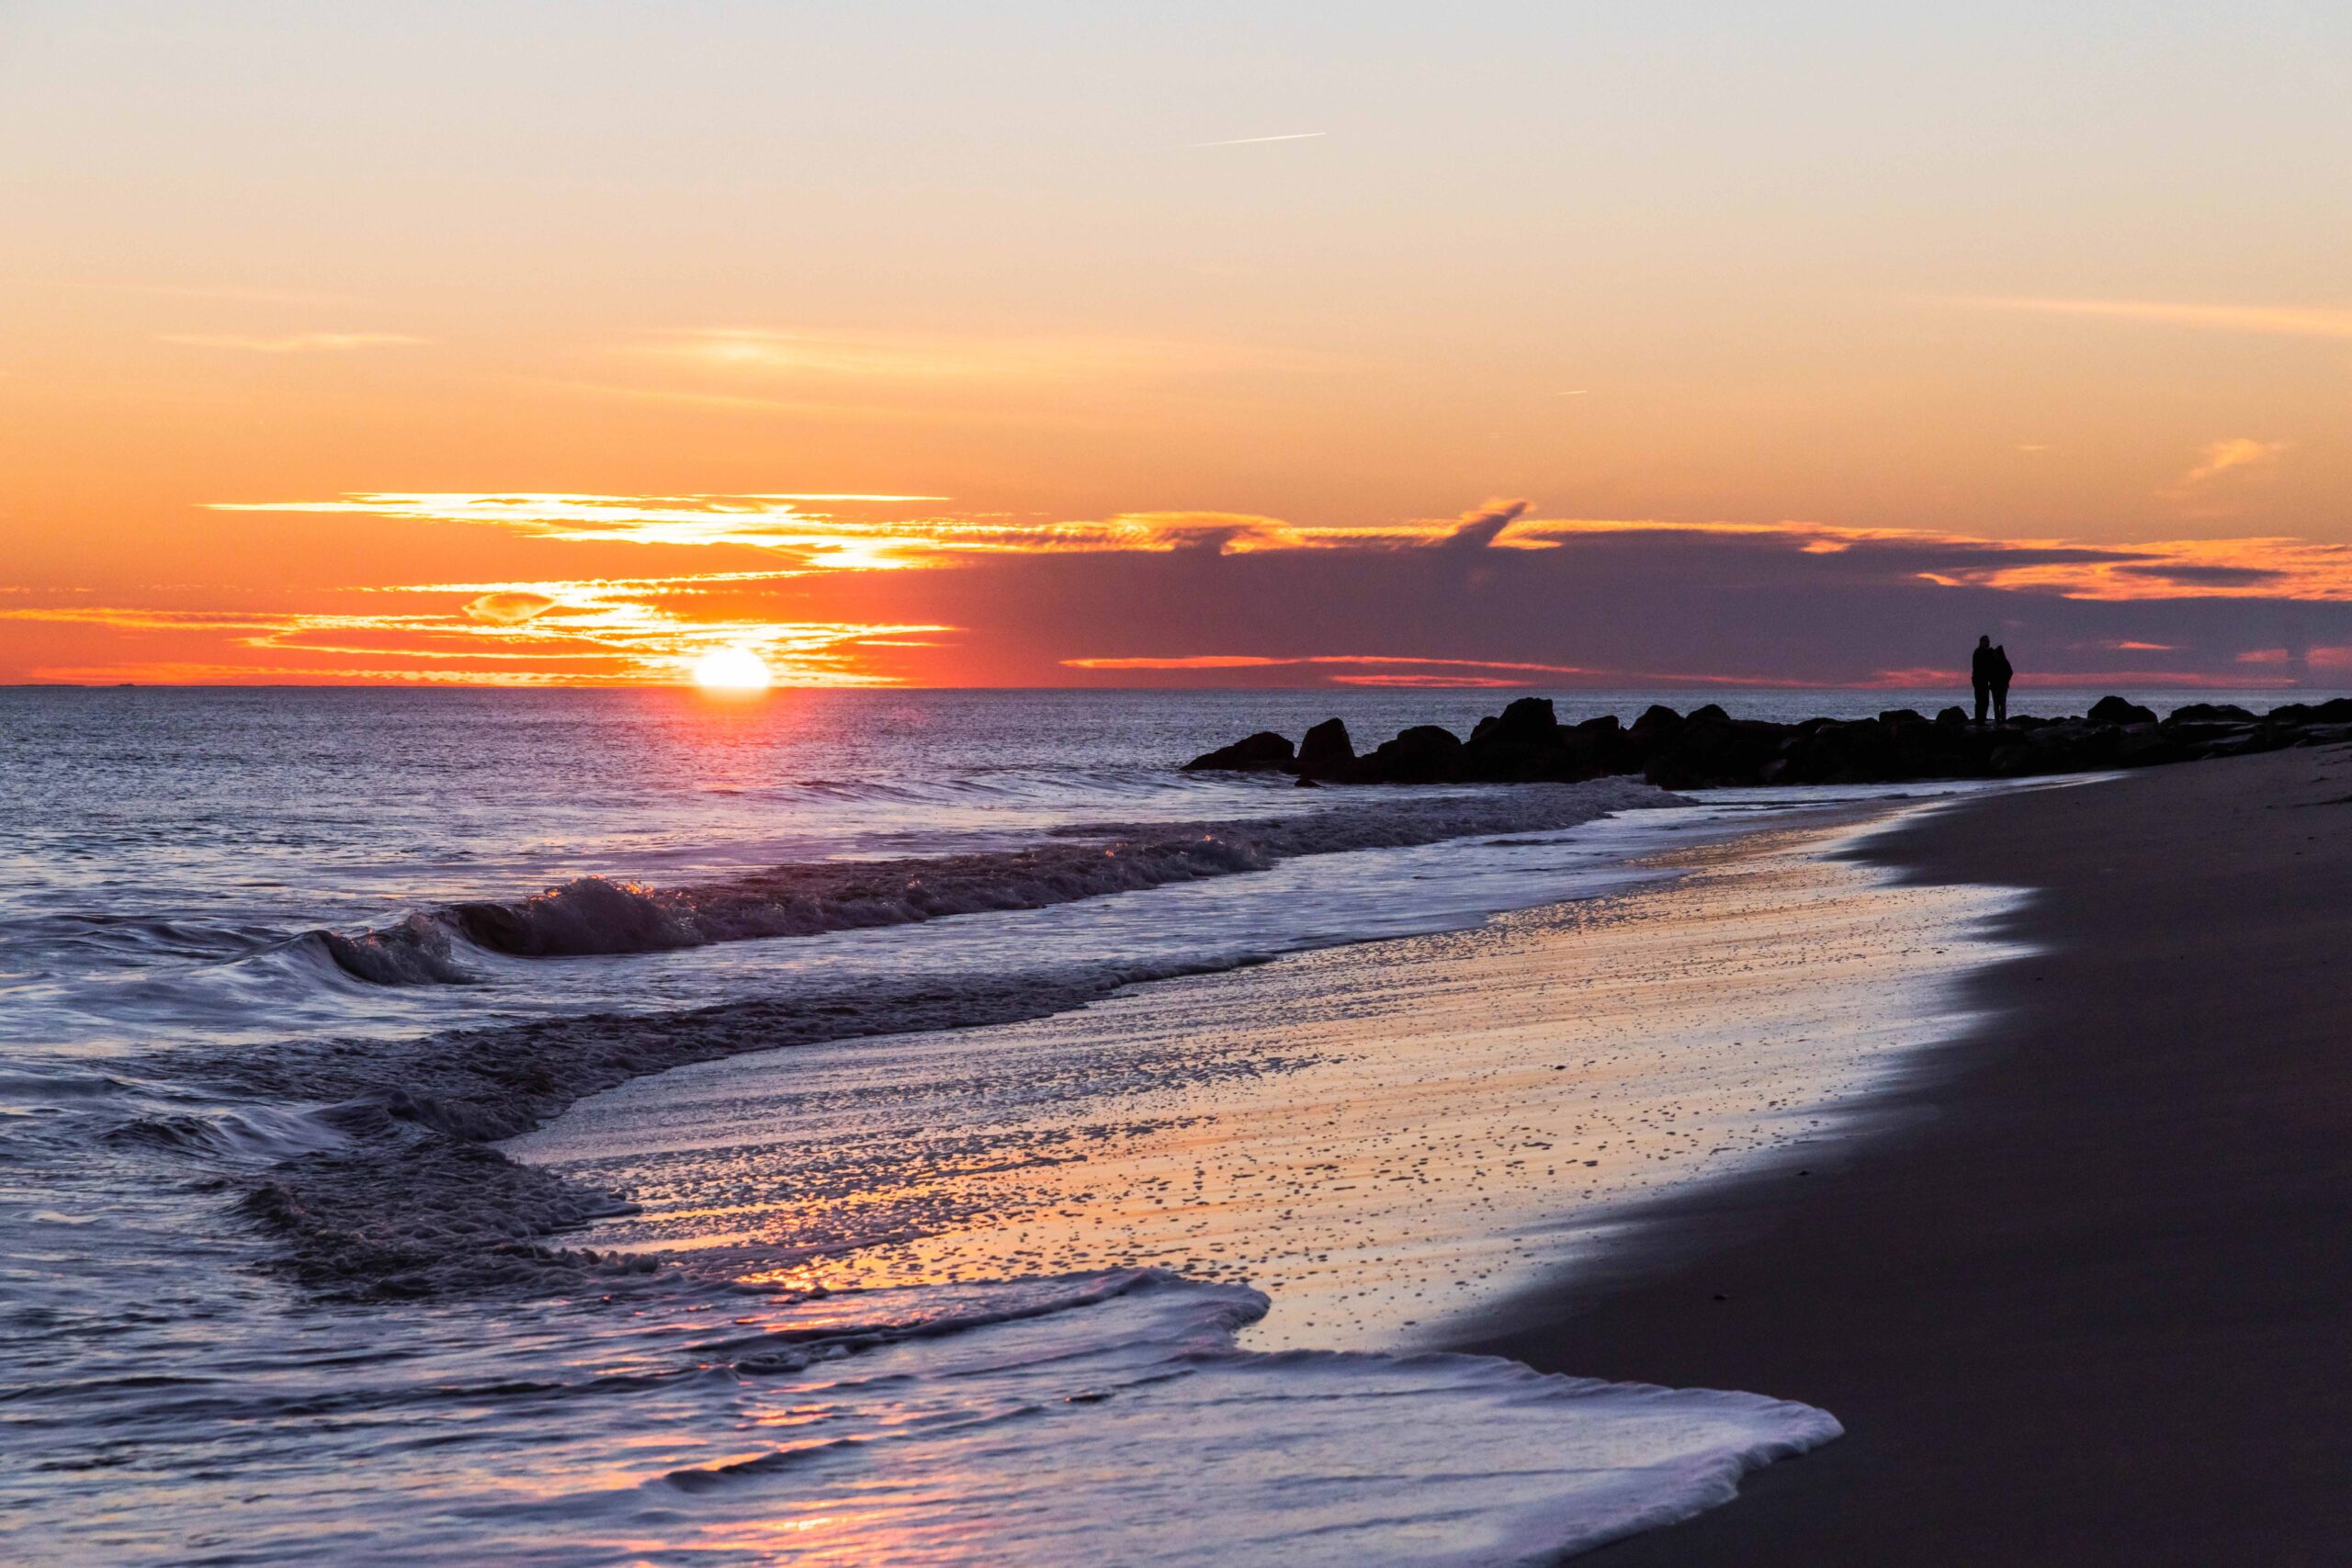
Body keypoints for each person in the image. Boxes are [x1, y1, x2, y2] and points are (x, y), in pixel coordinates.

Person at [1971, 634, 2014, 726]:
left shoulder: (1989, 655)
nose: (1988, 643)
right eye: (1986, 641)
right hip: (1980, 681)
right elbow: (1980, 666)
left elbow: (2008, 671)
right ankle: (1980, 720)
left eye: (1988, 641)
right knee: (1981, 701)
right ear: (1981, 642)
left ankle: (1985, 720)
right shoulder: (1978, 653)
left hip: (1988, 682)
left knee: (1987, 702)